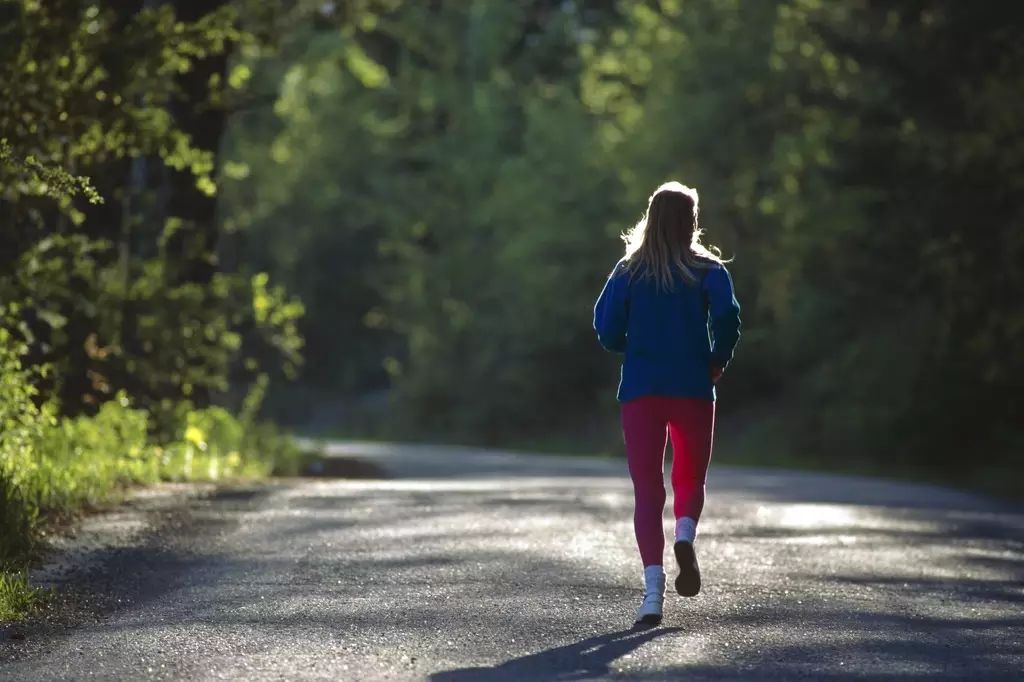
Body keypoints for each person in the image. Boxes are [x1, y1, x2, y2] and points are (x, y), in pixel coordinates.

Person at [593, 181, 741, 627]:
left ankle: (652, 595)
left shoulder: (627, 271)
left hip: (641, 389)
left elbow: (604, 327)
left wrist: (630, 344)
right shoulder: (709, 270)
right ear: (691, 222)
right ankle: (684, 535)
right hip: (694, 387)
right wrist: (717, 360)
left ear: (651, 219)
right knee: (690, 476)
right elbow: (729, 317)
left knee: (647, 489)